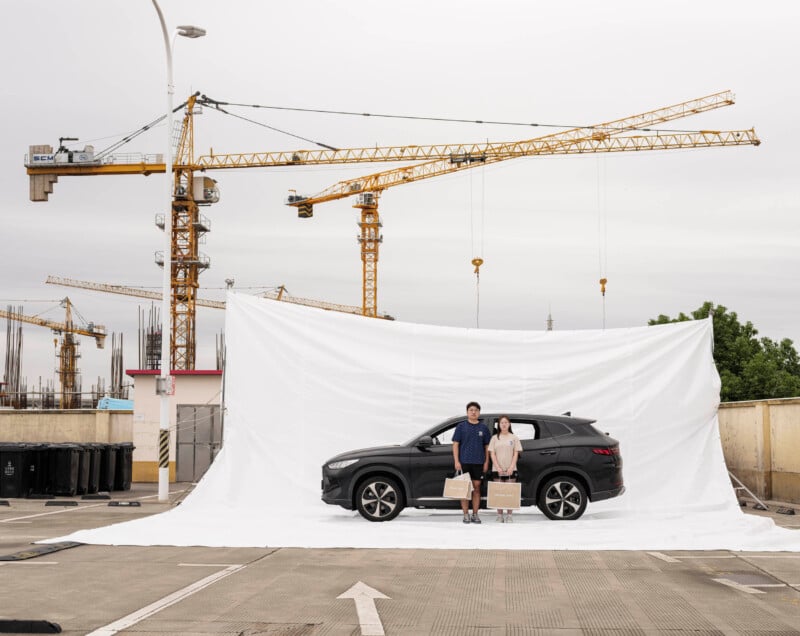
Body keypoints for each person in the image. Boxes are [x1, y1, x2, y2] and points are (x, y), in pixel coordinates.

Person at [452, 401, 491, 524]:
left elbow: (487, 447)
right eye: (471, 410)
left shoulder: (483, 428)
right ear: (467, 412)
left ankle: (475, 514)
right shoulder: (461, 427)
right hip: (464, 462)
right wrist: (457, 461)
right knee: (465, 489)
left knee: (477, 488)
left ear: (479, 412)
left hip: (478, 463)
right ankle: (465, 514)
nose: (473, 412)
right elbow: (455, 445)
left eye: (476, 410)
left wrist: (486, 462)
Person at [488, 414, 522, 523]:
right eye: (501, 423)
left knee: (510, 492)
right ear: (499, 425)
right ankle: (499, 515)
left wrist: (512, 467)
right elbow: (492, 454)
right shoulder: (494, 438)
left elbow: (516, 453)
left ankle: (509, 516)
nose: (503, 424)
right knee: (499, 492)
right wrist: (497, 467)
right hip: (497, 469)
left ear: (509, 424)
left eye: (505, 422)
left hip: (511, 468)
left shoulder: (514, 438)